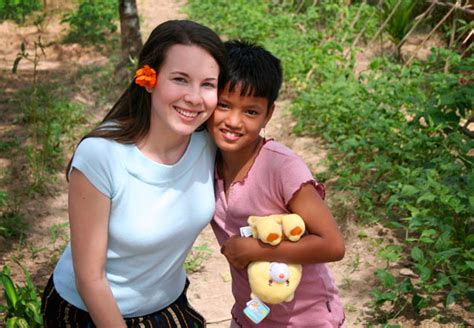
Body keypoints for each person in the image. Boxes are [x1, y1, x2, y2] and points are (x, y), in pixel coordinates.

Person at [41, 20, 227, 328]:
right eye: (180, 79)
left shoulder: (208, 142)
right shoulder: (102, 155)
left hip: (167, 302)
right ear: (148, 78)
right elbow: (90, 278)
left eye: (207, 84)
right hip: (90, 312)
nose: (195, 97)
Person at [207, 40, 346, 327]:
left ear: (269, 114)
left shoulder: (282, 167)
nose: (234, 121)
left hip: (305, 319)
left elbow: (333, 245)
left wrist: (255, 250)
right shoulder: (205, 160)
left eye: (251, 112)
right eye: (224, 105)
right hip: (251, 316)